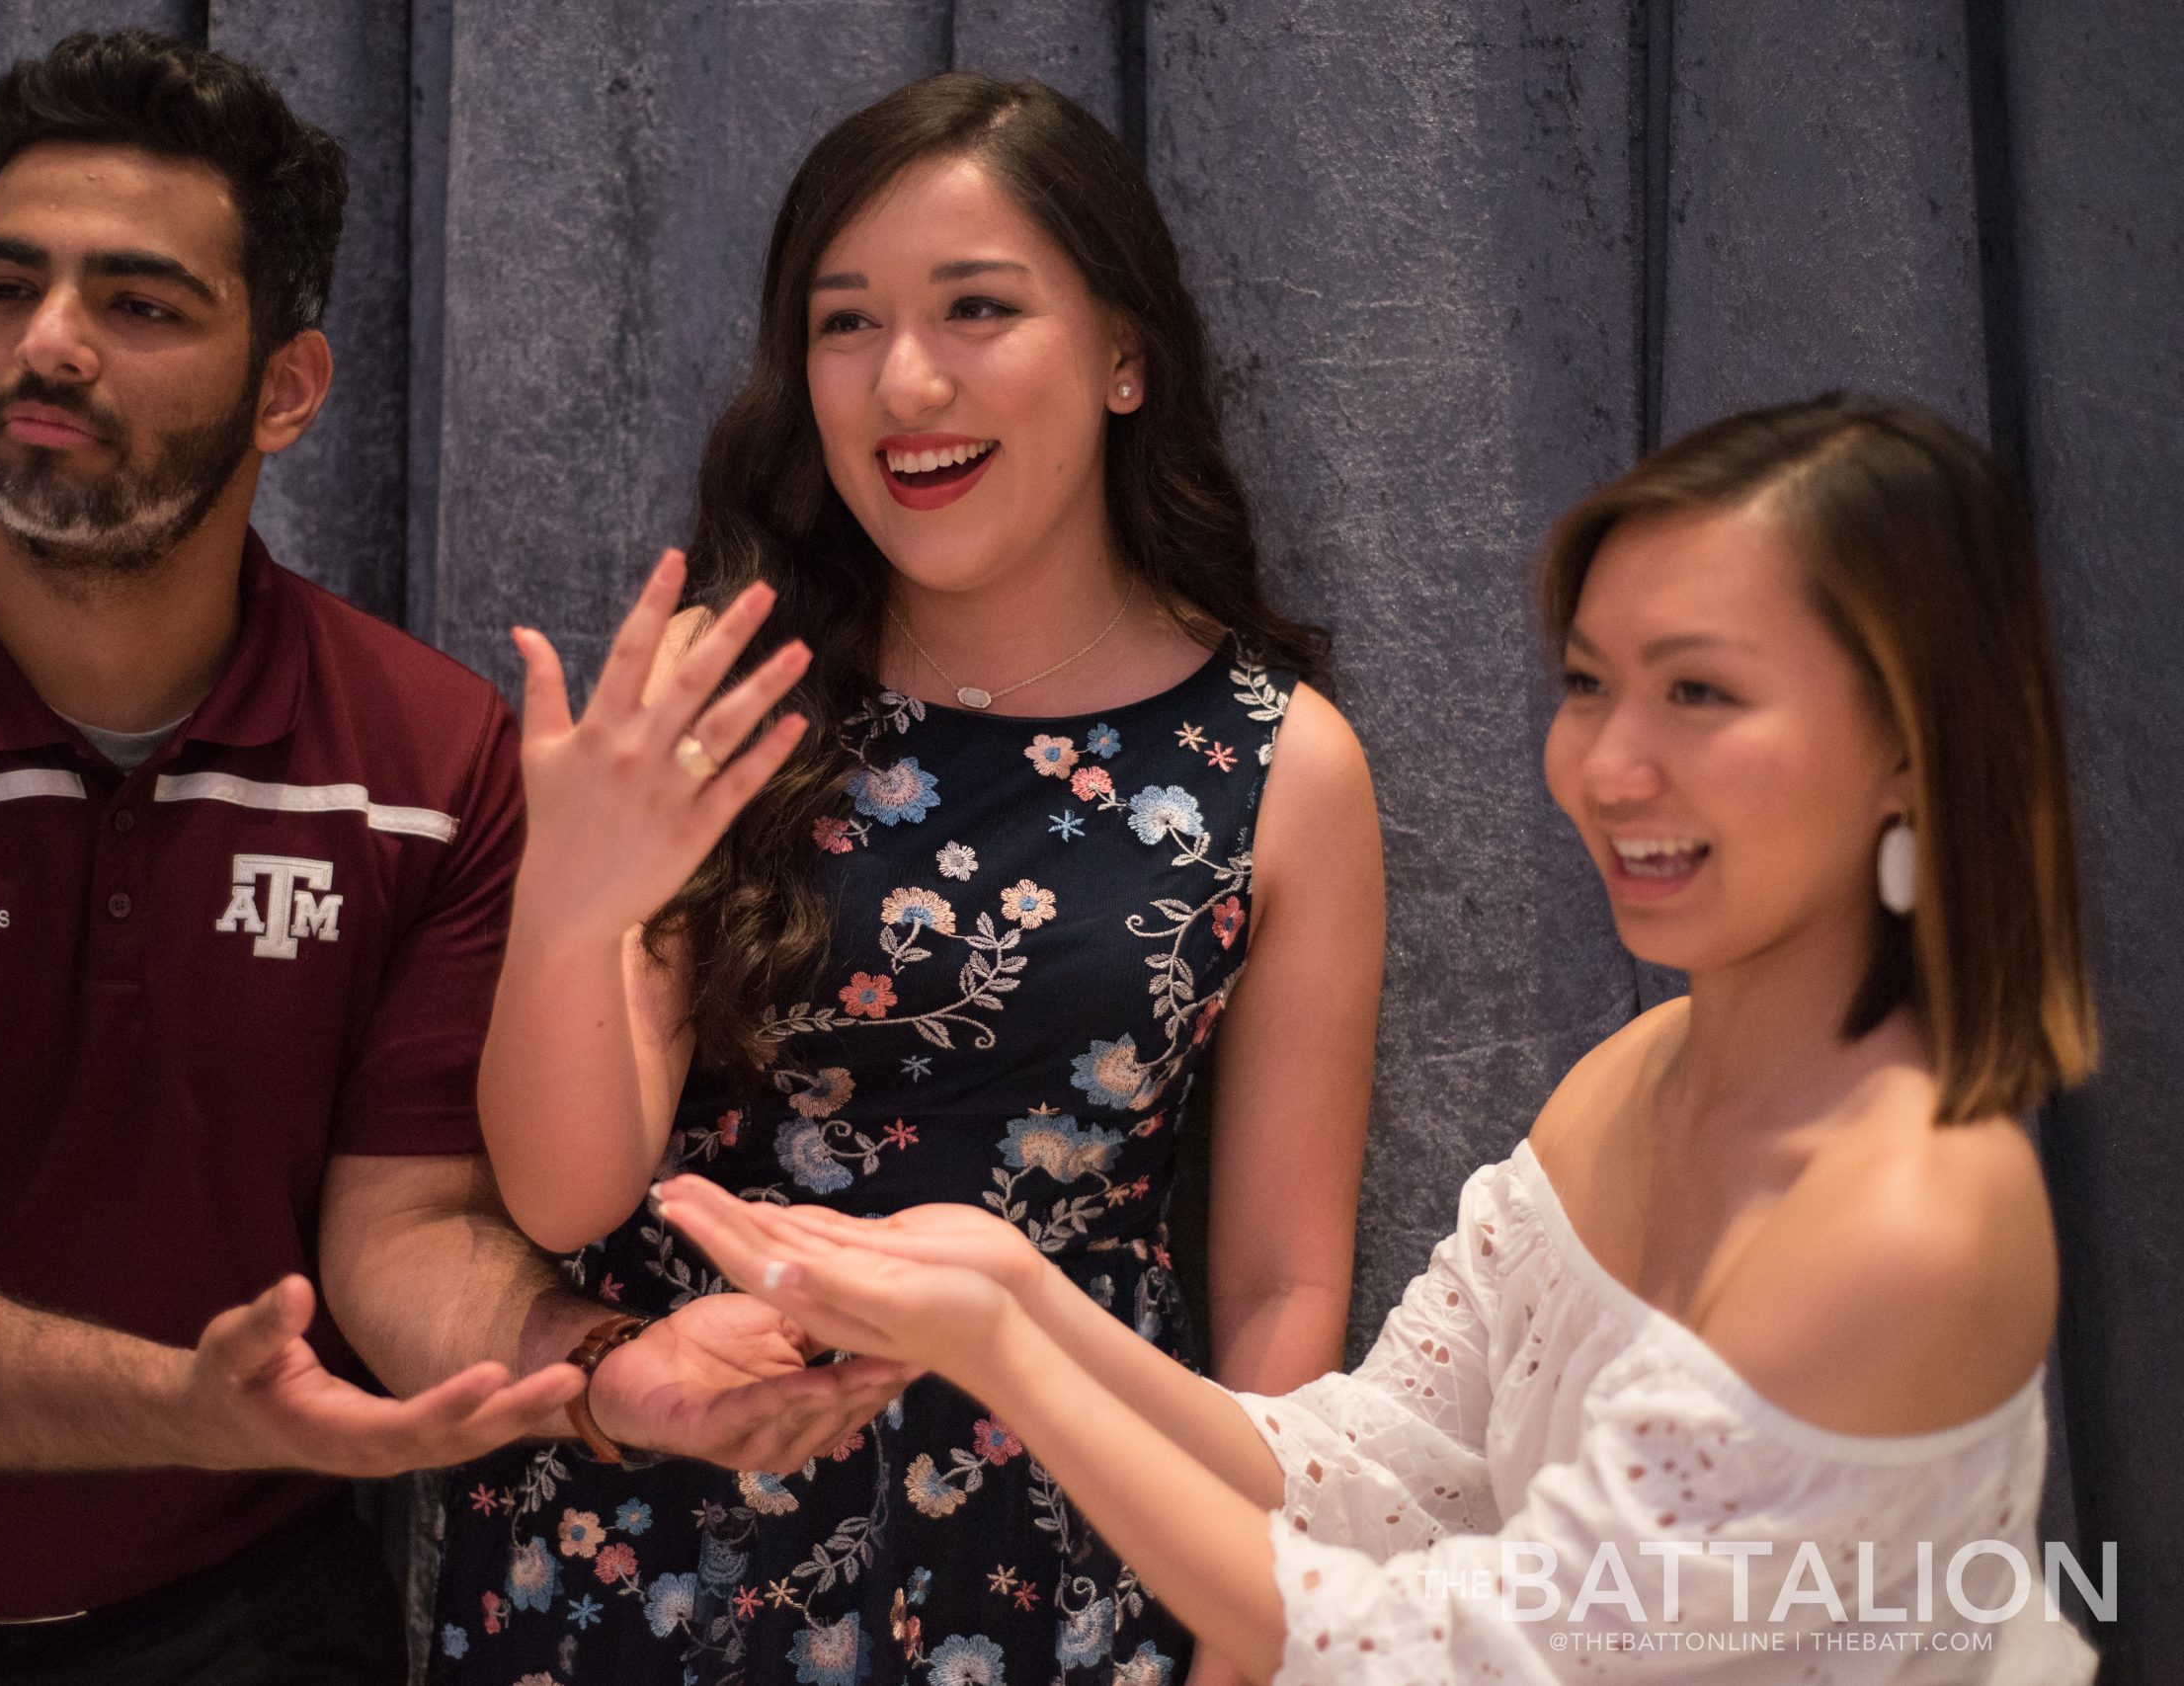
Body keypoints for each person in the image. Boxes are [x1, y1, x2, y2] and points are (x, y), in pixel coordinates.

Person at [0, 31, 903, 1686]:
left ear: (291, 387)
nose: (47, 345)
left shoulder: (430, 761)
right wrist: (178, 1401)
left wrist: (603, 1370)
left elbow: (405, 1241)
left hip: (251, 1630)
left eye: (140, 305)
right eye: (7, 286)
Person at [656, 393, 2105, 1683]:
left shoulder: (1912, 1220)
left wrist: (1009, 1357)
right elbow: (1368, 1469)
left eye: (1702, 693)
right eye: (1590, 684)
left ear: (1912, 743)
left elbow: (1458, 1653)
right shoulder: (1634, 1076)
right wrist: (1019, 1293)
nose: (1608, 766)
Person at [438, 72, 1384, 1686]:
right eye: (847, 323)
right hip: (674, 1518)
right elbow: (562, 1199)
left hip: (1063, 1542)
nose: (908, 382)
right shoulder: (719, 691)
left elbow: (1282, 1274)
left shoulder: (1283, 762)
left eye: (979, 309)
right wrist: (571, 914)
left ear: (1125, 356)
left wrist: (1255, 1621)